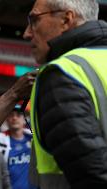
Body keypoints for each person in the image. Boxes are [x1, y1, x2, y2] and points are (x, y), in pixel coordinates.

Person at [23, 0, 107, 188]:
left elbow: (93, 175)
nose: (27, 33)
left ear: (66, 19)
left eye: (34, 20)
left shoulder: (61, 73)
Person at [0, 106, 36, 189]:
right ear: (6, 120)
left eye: (18, 115)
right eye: (11, 115)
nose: (14, 118)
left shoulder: (34, 139)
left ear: (24, 119)